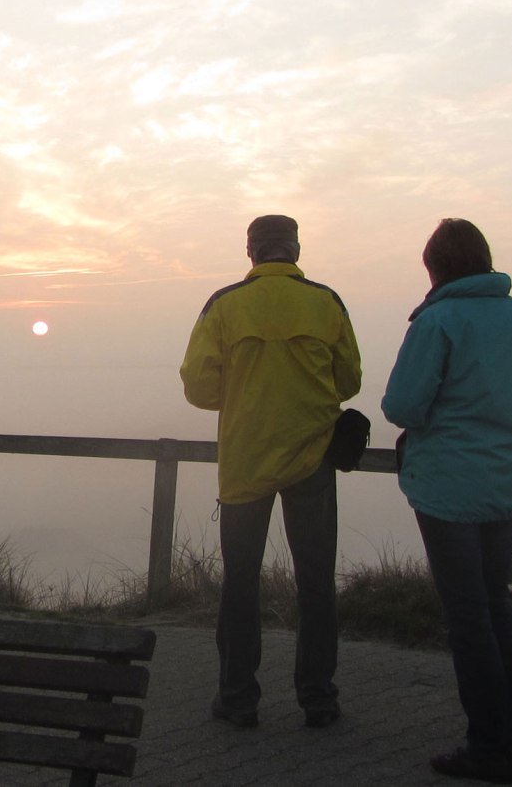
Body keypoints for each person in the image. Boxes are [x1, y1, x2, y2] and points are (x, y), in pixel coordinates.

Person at [381, 218, 512, 784]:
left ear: (435, 269)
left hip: (449, 490)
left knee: (468, 618)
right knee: (495, 605)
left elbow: (404, 404)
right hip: (508, 487)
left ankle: (488, 747)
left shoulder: (438, 321)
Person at [179, 215, 361, 730]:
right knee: (316, 582)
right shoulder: (326, 303)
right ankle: (319, 698)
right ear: (297, 248)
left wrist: (239, 397)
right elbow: (348, 379)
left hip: (244, 462)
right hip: (313, 458)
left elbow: (197, 387)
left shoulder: (225, 305)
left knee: (240, 583)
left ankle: (238, 699)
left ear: (251, 252)